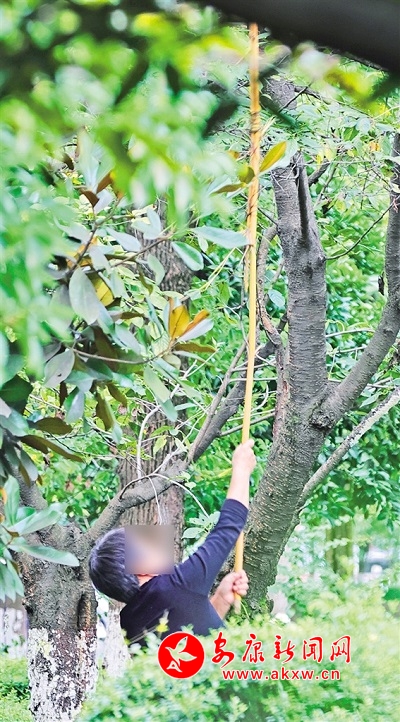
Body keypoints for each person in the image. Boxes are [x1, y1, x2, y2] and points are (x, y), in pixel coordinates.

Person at [88, 439, 256, 645]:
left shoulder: (129, 624)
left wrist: (220, 599)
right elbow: (228, 527)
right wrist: (241, 470)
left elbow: (193, 644)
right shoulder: (176, 585)